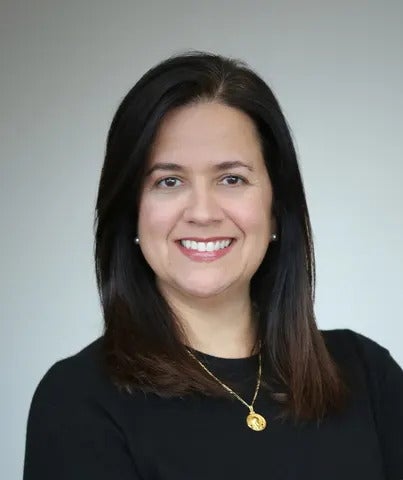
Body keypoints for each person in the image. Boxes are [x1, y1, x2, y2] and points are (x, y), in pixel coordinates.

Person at [23, 51, 403, 480]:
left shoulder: (367, 375)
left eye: (231, 179)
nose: (203, 213)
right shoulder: (78, 400)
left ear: (276, 209)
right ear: (132, 211)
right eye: (169, 181)